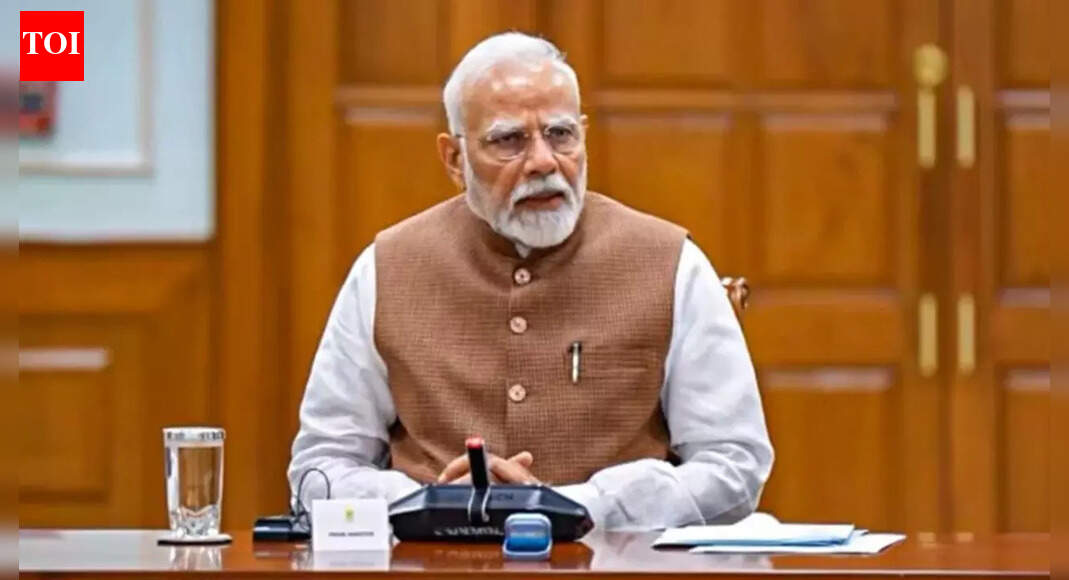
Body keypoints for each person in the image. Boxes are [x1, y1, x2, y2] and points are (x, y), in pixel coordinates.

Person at [288, 32, 773, 531]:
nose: (543, 161)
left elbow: (734, 464)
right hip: (430, 560)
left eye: (561, 134)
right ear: (454, 159)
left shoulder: (671, 262)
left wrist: (579, 507)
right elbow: (319, 468)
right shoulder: (386, 267)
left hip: (612, 559)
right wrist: (429, 503)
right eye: (509, 140)